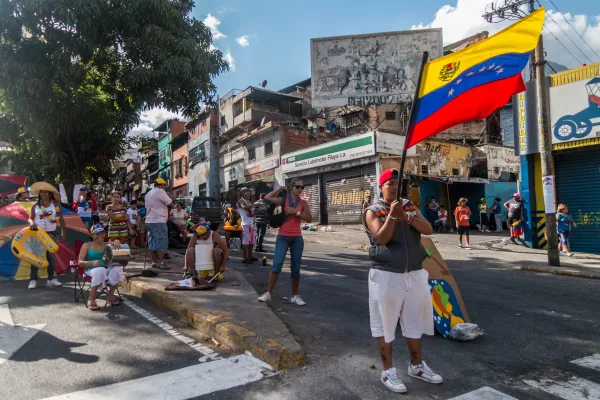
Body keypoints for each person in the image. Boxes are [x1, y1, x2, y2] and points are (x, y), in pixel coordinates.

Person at [363, 169, 442, 394]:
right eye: (389, 183)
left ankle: (416, 366)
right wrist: (392, 216)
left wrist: (407, 216)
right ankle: (388, 371)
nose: (394, 187)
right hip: (386, 274)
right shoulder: (373, 210)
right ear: (381, 186)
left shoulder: (409, 206)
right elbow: (382, 238)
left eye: (398, 183)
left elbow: (428, 229)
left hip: (415, 272)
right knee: (385, 324)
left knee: (413, 321)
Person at [259, 179, 312, 306]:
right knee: (277, 264)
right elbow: (267, 197)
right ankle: (268, 293)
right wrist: (278, 189)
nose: (300, 189)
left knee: (295, 267)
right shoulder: (284, 200)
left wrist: (297, 212)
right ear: (291, 187)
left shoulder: (303, 203)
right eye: (298, 187)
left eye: (302, 187)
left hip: (297, 239)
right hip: (283, 236)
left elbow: (309, 219)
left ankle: (294, 296)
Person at [27, 182, 66, 289]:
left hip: (52, 233)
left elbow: (61, 219)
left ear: (50, 194)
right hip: (38, 233)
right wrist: (32, 223)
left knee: (51, 257)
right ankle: (33, 279)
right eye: (42, 193)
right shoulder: (36, 205)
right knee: (35, 256)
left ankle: (51, 279)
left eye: (45, 192)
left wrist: (63, 232)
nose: (43, 194)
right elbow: (30, 218)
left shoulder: (56, 205)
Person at [78, 224, 124, 310]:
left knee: (117, 268)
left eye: (102, 233)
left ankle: (110, 296)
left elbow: (119, 248)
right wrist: (91, 262)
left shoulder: (107, 244)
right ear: (92, 235)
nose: (100, 236)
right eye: (97, 234)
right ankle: (91, 299)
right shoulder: (87, 245)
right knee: (100, 270)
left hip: (106, 270)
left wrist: (117, 241)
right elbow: (80, 263)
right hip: (90, 271)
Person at [145, 178, 173, 269]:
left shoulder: (148, 193)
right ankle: (161, 263)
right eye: (164, 186)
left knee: (152, 242)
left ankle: (154, 262)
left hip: (149, 221)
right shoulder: (161, 192)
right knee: (162, 241)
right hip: (158, 221)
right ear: (162, 185)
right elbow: (169, 203)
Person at [237, 188, 257, 264]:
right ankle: (245, 258)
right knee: (246, 242)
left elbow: (251, 210)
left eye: (249, 192)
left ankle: (250, 256)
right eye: (246, 192)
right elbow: (244, 207)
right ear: (241, 193)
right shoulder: (241, 201)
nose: (248, 194)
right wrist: (255, 204)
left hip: (251, 223)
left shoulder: (248, 201)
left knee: (251, 242)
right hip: (246, 224)